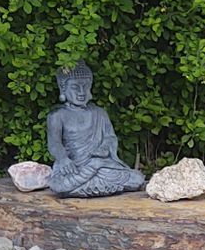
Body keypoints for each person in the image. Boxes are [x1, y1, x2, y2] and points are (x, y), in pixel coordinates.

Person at [46, 62, 144, 198]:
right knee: (58, 185)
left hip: (100, 165)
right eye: (75, 87)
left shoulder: (99, 113)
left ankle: (84, 184)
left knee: (136, 178)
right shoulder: (57, 115)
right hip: (74, 167)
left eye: (85, 86)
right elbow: (54, 143)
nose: (81, 92)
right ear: (63, 89)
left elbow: (110, 137)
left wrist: (104, 147)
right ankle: (91, 181)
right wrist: (63, 159)